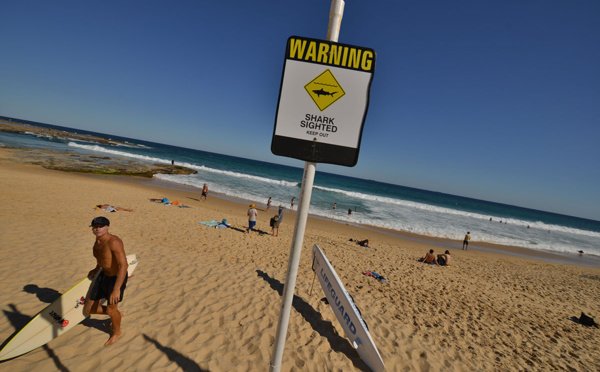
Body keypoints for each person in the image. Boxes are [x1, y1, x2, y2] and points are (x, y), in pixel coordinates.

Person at [84, 217, 129, 347]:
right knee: (90, 309)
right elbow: (102, 258)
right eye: (94, 226)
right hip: (103, 275)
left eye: (100, 226)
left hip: (116, 277)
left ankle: (117, 332)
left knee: (110, 309)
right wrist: (96, 269)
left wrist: (116, 289)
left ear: (108, 227)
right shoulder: (97, 242)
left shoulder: (114, 242)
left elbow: (123, 265)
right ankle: (117, 314)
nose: (97, 228)